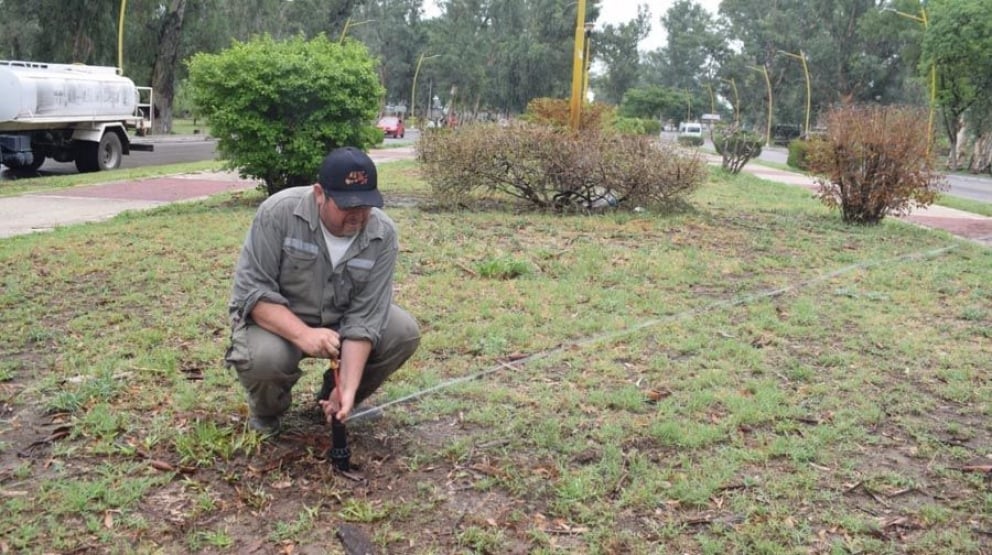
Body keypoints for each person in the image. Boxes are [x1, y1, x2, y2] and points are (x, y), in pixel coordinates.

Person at [225, 146, 421, 435]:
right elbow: (252, 293)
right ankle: (268, 412)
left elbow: (366, 318)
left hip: (341, 321)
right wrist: (304, 335)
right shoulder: (278, 213)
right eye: (347, 206)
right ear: (319, 194)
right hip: (279, 324)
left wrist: (348, 387)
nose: (357, 215)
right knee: (264, 358)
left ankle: (335, 401)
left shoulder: (383, 234)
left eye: (365, 205)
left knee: (402, 331)